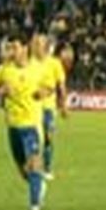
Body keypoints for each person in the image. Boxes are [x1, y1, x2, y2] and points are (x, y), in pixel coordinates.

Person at [0, 38, 47, 210]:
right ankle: (38, 185)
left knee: (34, 163)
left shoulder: (37, 67)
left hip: (32, 125)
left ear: (24, 48)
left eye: (14, 46)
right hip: (13, 127)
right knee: (23, 171)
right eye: (9, 47)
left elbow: (48, 88)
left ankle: (34, 205)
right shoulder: (4, 69)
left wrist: (42, 93)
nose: (11, 50)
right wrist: (0, 91)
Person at [29, 33, 69, 180]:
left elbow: (61, 85)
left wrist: (63, 105)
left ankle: (47, 168)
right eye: (34, 44)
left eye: (38, 44)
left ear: (45, 47)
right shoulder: (29, 62)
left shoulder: (54, 63)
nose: (35, 47)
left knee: (48, 138)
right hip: (32, 107)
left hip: (48, 108)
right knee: (33, 138)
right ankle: (34, 167)